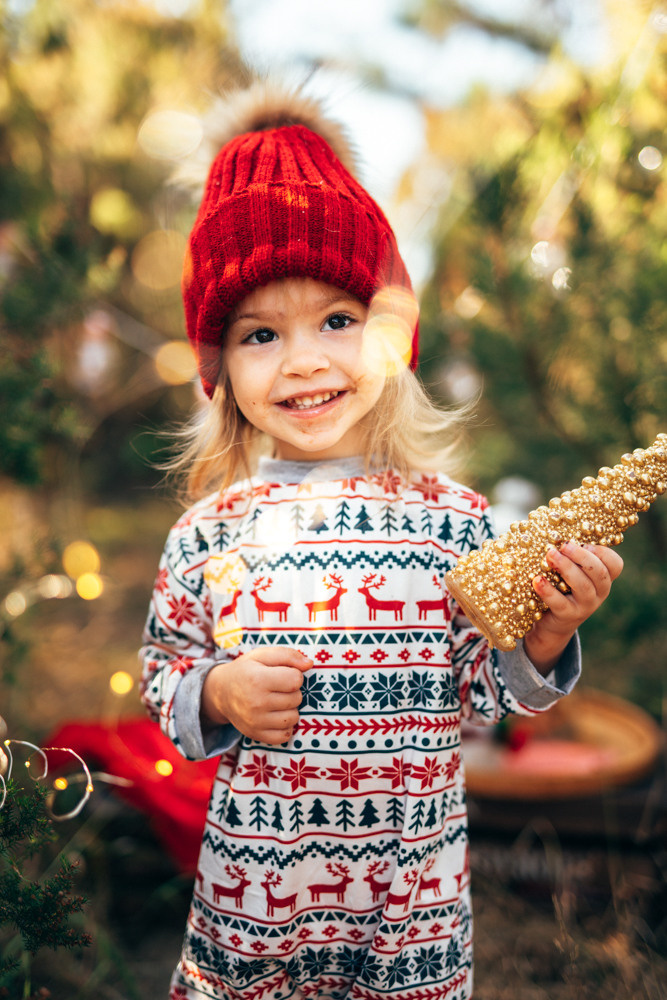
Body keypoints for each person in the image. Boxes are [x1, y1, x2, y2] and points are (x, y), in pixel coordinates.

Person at [140, 80, 622, 1000]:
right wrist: (218, 690)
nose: (304, 359)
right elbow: (165, 678)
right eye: (258, 334)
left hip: (413, 910)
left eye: (336, 318)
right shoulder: (208, 534)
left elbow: (483, 693)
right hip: (258, 902)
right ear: (219, 369)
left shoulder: (456, 520)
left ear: (389, 335)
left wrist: (545, 636)